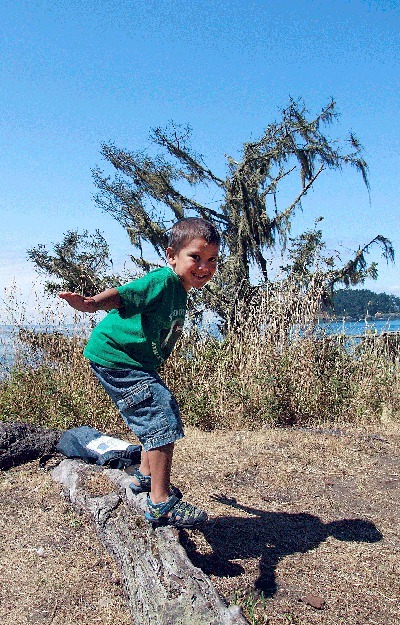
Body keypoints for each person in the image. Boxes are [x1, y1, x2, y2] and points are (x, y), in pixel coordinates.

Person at [59, 217, 220, 528]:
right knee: (160, 418)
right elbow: (125, 294)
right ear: (172, 255)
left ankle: (145, 478)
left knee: (160, 409)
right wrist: (92, 304)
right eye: (196, 257)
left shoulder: (179, 290)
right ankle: (160, 503)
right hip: (116, 356)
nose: (204, 267)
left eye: (211, 259)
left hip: (135, 362)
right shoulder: (163, 281)